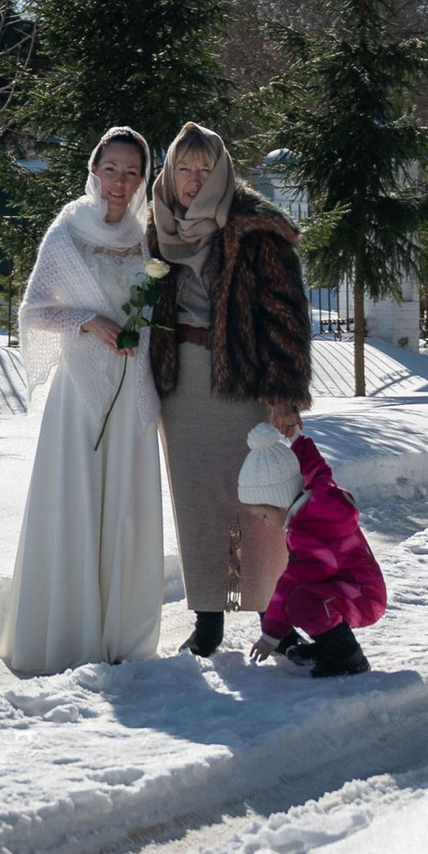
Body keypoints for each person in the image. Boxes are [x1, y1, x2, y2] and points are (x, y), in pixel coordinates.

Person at [0, 126, 168, 673]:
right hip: (81, 395)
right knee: (77, 501)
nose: (120, 182)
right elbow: (34, 312)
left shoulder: (148, 237)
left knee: (126, 510)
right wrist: (87, 321)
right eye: (111, 169)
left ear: (143, 180)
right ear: (94, 170)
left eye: (132, 172)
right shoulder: (66, 232)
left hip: (133, 388)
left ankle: (123, 636)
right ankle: (67, 634)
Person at [143, 122, 315, 658]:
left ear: (222, 172)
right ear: (170, 172)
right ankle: (209, 620)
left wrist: (284, 395)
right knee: (195, 500)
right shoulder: (155, 227)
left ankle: (275, 616)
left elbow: (287, 316)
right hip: (182, 382)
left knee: (258, 498)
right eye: (184, 169)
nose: (194, 181)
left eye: (205, 169)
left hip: (243, 379)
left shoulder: (256, 227)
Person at [255, 425, 389, 678]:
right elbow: (317, 469)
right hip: (353, 590)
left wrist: (270, 634)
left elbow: (287, 586)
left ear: (278, 502)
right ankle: (328, 647)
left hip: (362, 599)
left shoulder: (311, 536)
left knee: (300, 600)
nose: (263, 521)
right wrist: (295, 438)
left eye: (263, 514)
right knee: (304, 597)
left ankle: (348, 657)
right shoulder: (319, 500)